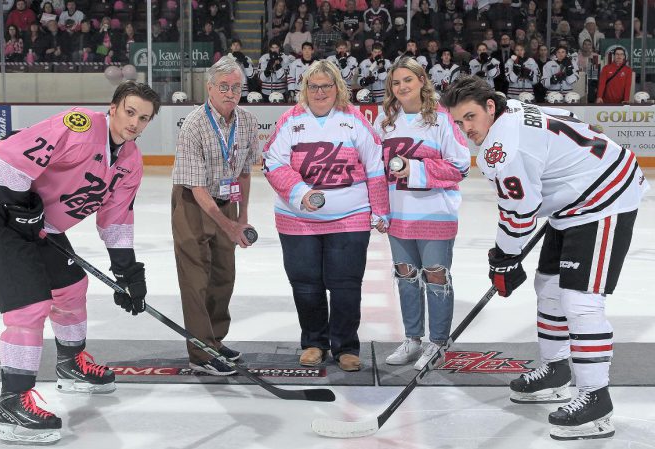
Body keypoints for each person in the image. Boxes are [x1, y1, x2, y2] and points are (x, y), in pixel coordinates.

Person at [442, 75, 649, 440]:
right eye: (458, 122)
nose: (465, 129)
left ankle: (595, 398)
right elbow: (572, 119)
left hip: (605, 199)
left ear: (490, 107)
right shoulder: (512, 109)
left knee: (581, 300)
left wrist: (503, 258)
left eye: (470, 117)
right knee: (549, 286)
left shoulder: (503, 149)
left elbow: (519, 213)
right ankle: (556, 371)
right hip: (575, 199)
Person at [0, 81, 161, 445]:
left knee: (71, 287)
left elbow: (115, 219)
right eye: (130, 112)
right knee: (30, 303)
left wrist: (127, 272)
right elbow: (6, 156)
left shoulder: (130, 162)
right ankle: (13, 403)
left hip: (38, 222)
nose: (135, 123)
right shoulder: (80, 127)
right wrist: (18, 205)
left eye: (144, 118)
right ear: (114, 108)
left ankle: (71, 364)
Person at [263, 60, 389, 372]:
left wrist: (380, 209)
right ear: (304, 89)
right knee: (306, 284)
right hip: (298, 219)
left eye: (326, 86)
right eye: (313, 86)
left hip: (351, 216)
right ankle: (314, 342)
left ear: (337, 88)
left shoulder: (355, 120)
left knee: (346, 283)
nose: (320, 92)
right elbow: (273, 163)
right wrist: (300, 192)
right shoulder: (290, 120)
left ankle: (345, 346)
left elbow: (375, 166)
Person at [375, 57, 470, 368]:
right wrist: (378, 208)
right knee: (405, 275)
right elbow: (375, 168)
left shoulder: (442, 120)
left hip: (435, 212)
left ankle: (438, 342)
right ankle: (413, 339)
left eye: (408, 80)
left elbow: (460, 166)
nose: (402, 87)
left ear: (422, 82)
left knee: (436, 276)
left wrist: (413, 169)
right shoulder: (385, 122)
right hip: (398, 213)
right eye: (396, 82)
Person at [172, 56, 260, 376]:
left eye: (236, 87)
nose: (230, 92)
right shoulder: (194, 125)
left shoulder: (247, 121)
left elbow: (246, 172)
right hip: (194, 204)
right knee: (196, 278)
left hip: (227, 202)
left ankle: (215, 340)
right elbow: (197, 188)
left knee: (224, 275)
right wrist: (229, 225)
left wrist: (243, 217)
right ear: (209, 87)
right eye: (223, 86)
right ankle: (200, 351)